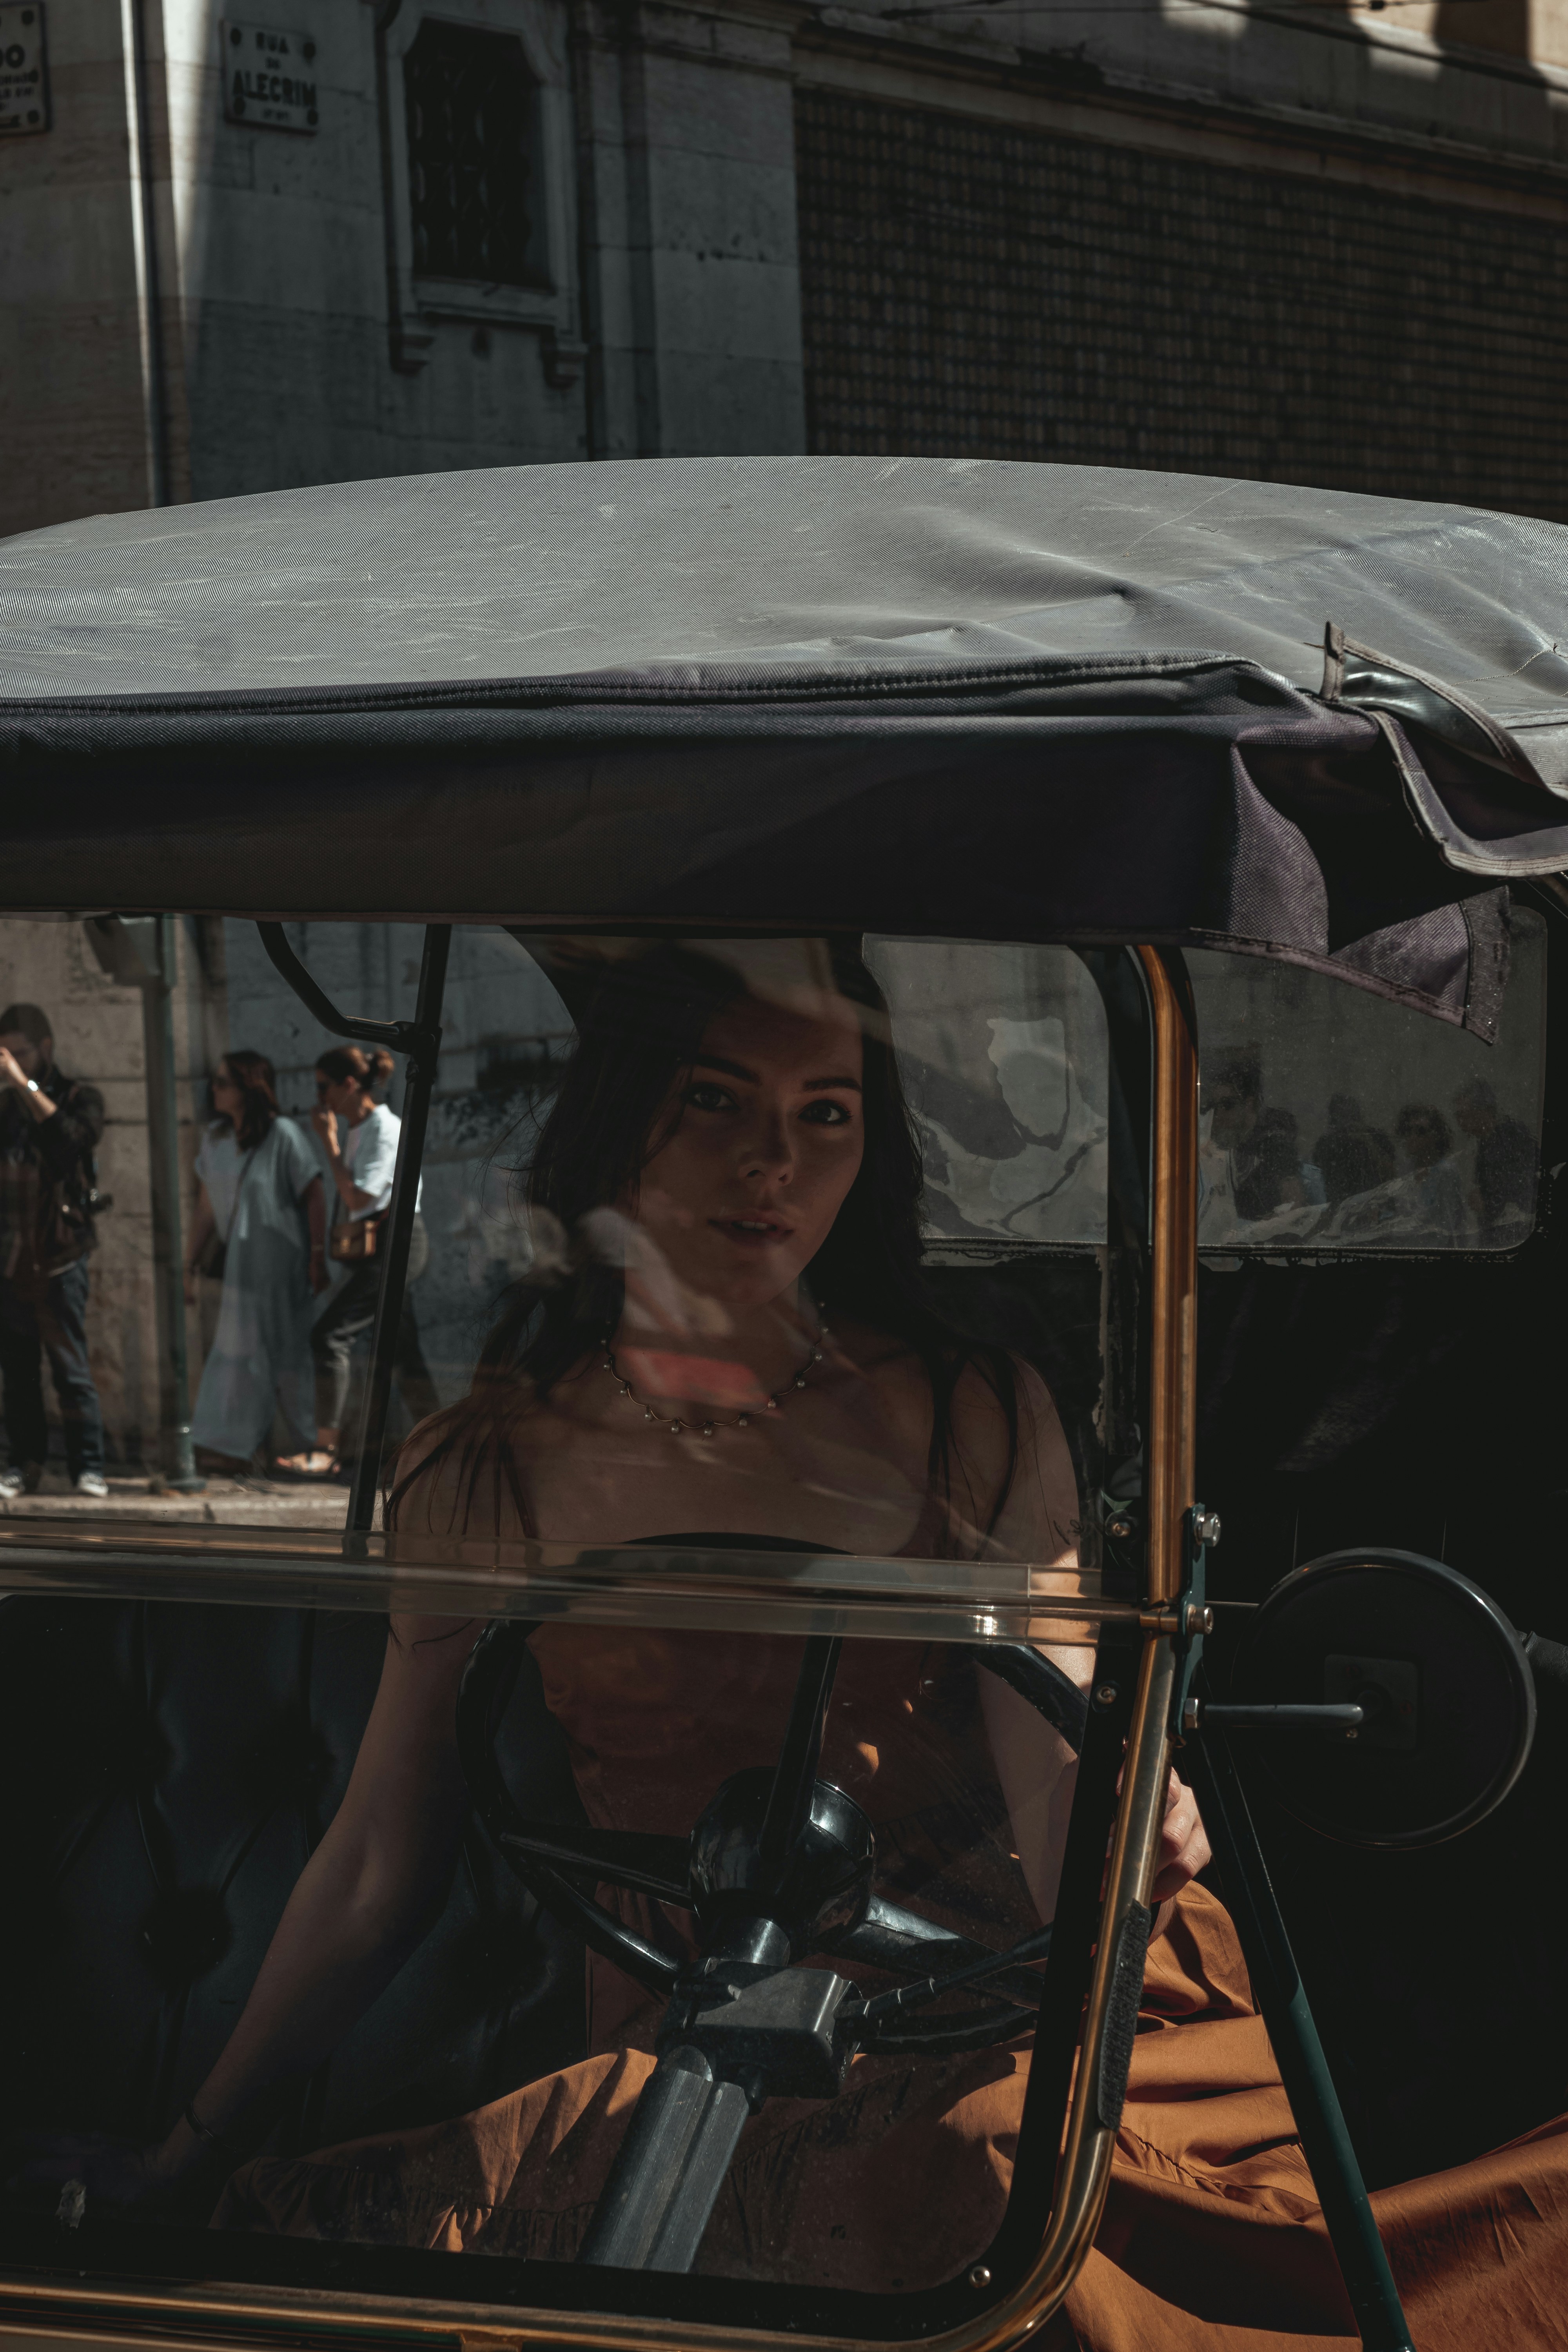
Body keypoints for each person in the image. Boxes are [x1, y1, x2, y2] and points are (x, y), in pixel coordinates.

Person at [16, 944, 1568, 2347]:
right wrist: (188, 2141)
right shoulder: (485, 1467)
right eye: (716, 1100)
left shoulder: (967, 1414)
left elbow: (1053, 1810)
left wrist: (1130, 1798)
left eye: (827, 1114)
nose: (772, 1163)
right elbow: (377, 1858)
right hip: (695, 2017)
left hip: (1010, 1994)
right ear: (621, 1120)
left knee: (995, 2182)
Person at [277, 1045, 439, 1479]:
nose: (319, 1097)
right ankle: (443, 1446)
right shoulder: (359, 1127)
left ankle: (325, 1450)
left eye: (323, 1087)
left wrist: (328, 1145)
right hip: (380, 1249)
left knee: (329, 1336)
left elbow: (356, 1199)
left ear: (350, 1085)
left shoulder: (386, 1130)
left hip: (397, 1246)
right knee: (403, 1353)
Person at [184, 1052, 328, 1472]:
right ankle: (228, 1444)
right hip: (240, 1263)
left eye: (225, 1082)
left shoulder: (282, 1134)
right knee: (238, 1352)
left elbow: (313, 1191)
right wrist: (188, 1262)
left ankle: (302, 1444)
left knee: (286, 1353)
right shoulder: (215, 1138)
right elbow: (206, 1208)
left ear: (248, 1087)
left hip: (280, 1260)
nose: (215, 1089)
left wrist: (317, 1256)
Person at [0, 1001, 109, 1500]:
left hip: (61, 1255)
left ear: (44, 1049)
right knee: (19, 1374)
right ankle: (26, 1463)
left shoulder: (79, 1096)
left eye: (21, 1054)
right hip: (12, 1257)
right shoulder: (4, 1110)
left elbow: (69, 1144)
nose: (13, 1063)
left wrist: (24, 1086)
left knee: (71, 1369)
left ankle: (89, 1467)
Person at [1455, 1077, 1536, 1243]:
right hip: (1497, 1237)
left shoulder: (1509, 1137)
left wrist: (1487, 1204)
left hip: (1512, 1239)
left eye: (1463, 1114)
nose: (1459, 1122)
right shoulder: (1487, 1141)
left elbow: (1521, 1190)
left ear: (1483, 1111)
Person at [1313, 1092, 1397, 1209]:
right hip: (1341, 1206)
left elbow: (1391, 1176)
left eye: (1350, 1116)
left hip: (1376, 1204)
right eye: (1341, 1117)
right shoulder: (1327, 1143)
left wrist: (1368, 1141)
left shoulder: (1377, 1137)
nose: (1346, 1123)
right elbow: (1320, 1180)